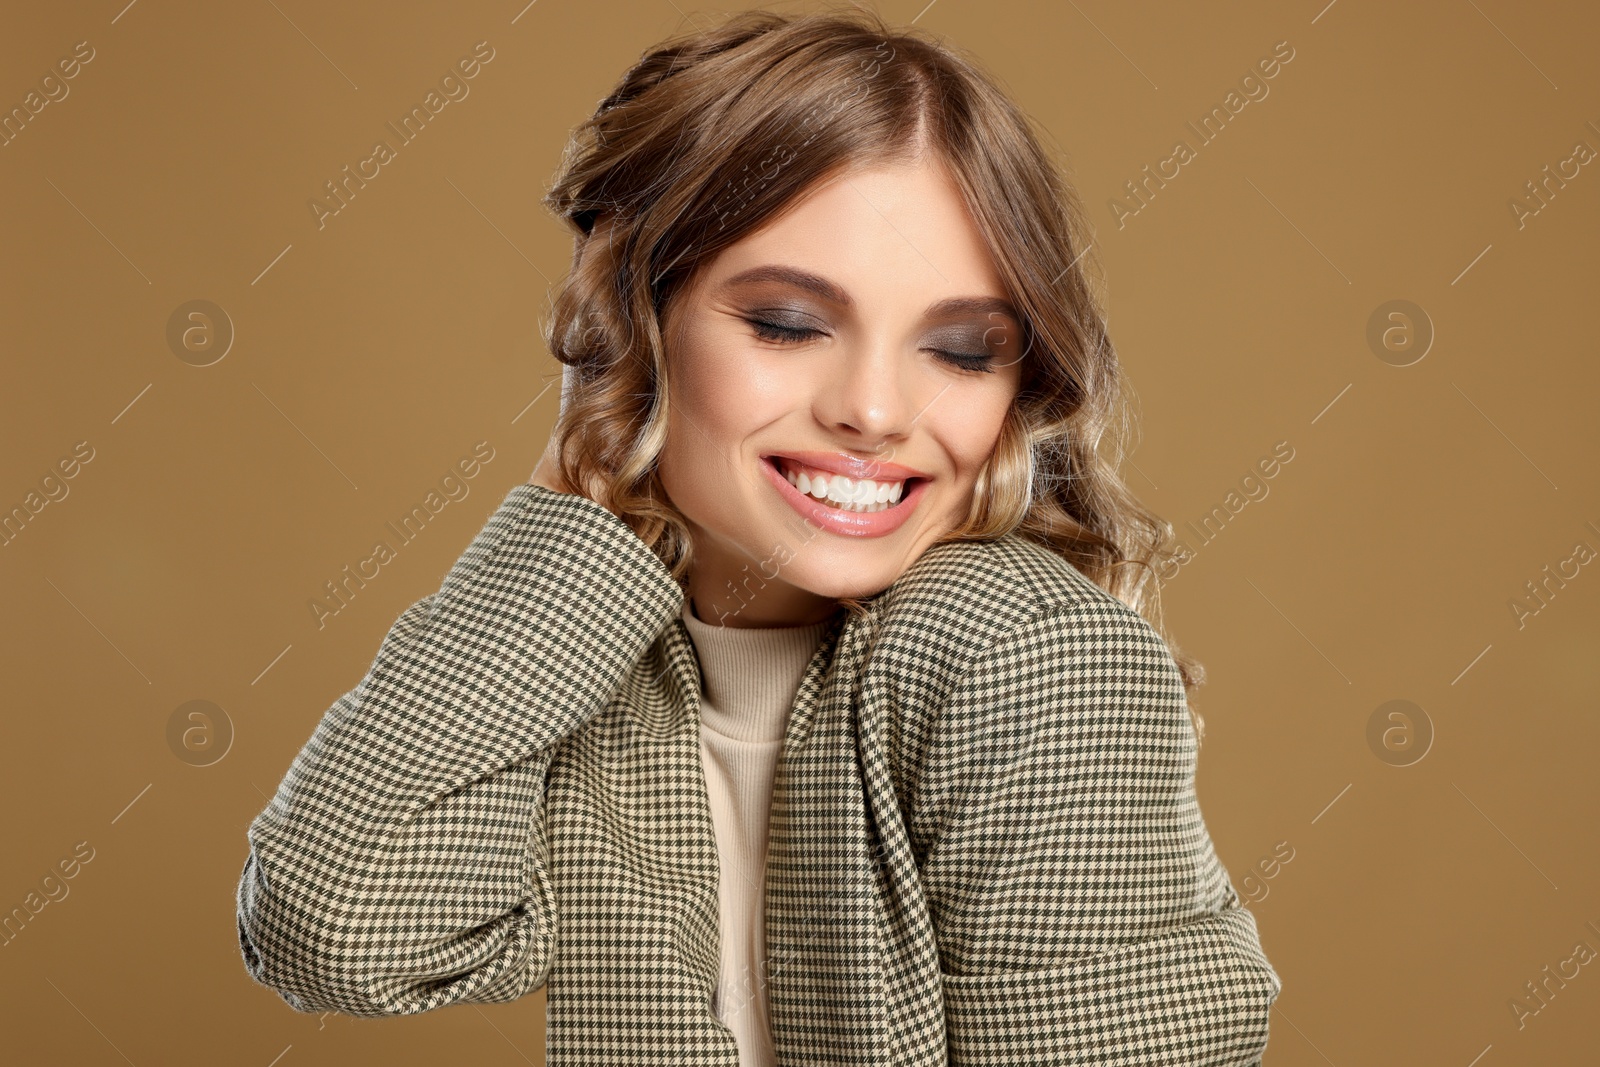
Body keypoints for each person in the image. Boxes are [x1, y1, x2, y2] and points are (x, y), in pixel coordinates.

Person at [235, 8, 1281, 1065]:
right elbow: (339, 930)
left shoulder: (1015, 654)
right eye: (786, 323)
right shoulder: (597, 661)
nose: (873, 410)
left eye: (962, 349)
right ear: (631, 318)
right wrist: (583, 484)